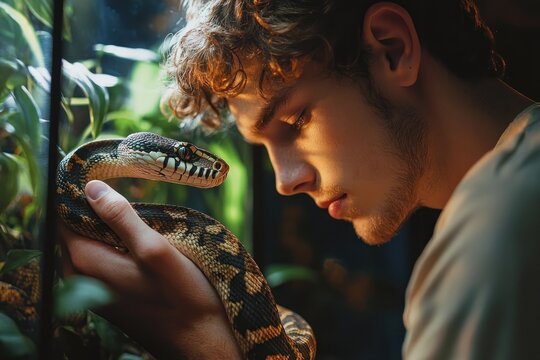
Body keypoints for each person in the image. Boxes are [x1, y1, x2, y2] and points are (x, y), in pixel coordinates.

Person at [60, 0, 540, 358]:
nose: (284, 183)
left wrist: (204, 341)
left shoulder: (497, 231)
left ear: (392, 49)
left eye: (295, 121)